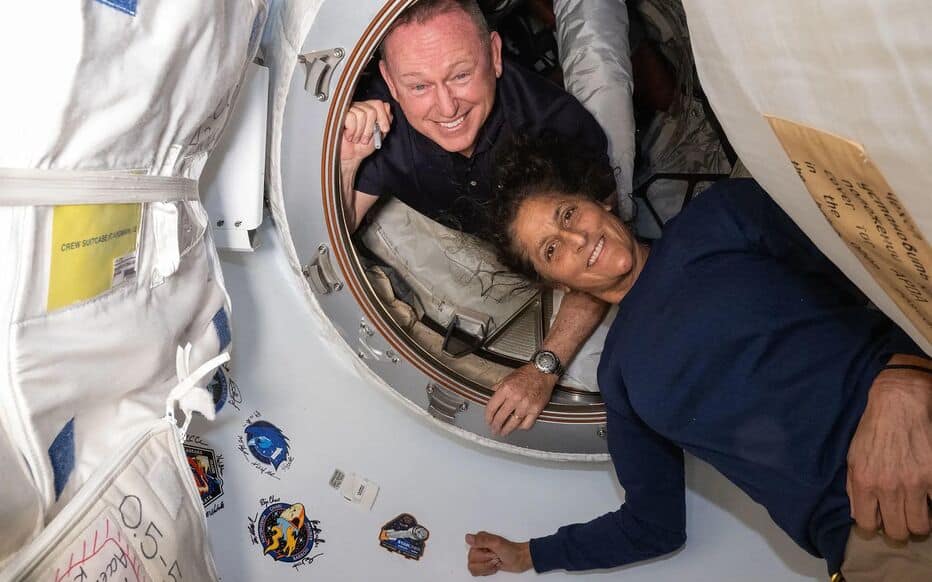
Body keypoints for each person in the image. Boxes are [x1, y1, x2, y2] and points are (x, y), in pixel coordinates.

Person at [465, 137, 932, 581]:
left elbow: (886, 264)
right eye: (551, 250)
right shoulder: (620, 378)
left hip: (916, 420)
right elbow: (653, 525)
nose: (575, 238)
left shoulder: (718, 217)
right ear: (558, 285)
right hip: (876, 535)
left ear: (599, 202)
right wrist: (530, 555)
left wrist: (906, 374)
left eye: (568, 214)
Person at [339, 0, 618, 435]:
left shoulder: (556, 127)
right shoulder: (380, 121)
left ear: (495, 55)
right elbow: (337, 231)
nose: (446, 106)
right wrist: (348, 160)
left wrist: (543, 367)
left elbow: (605, 256)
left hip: (552, 239)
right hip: (470, 233)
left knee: (601, 68)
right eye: (419, 86)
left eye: (460, 75)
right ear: (390, 81)